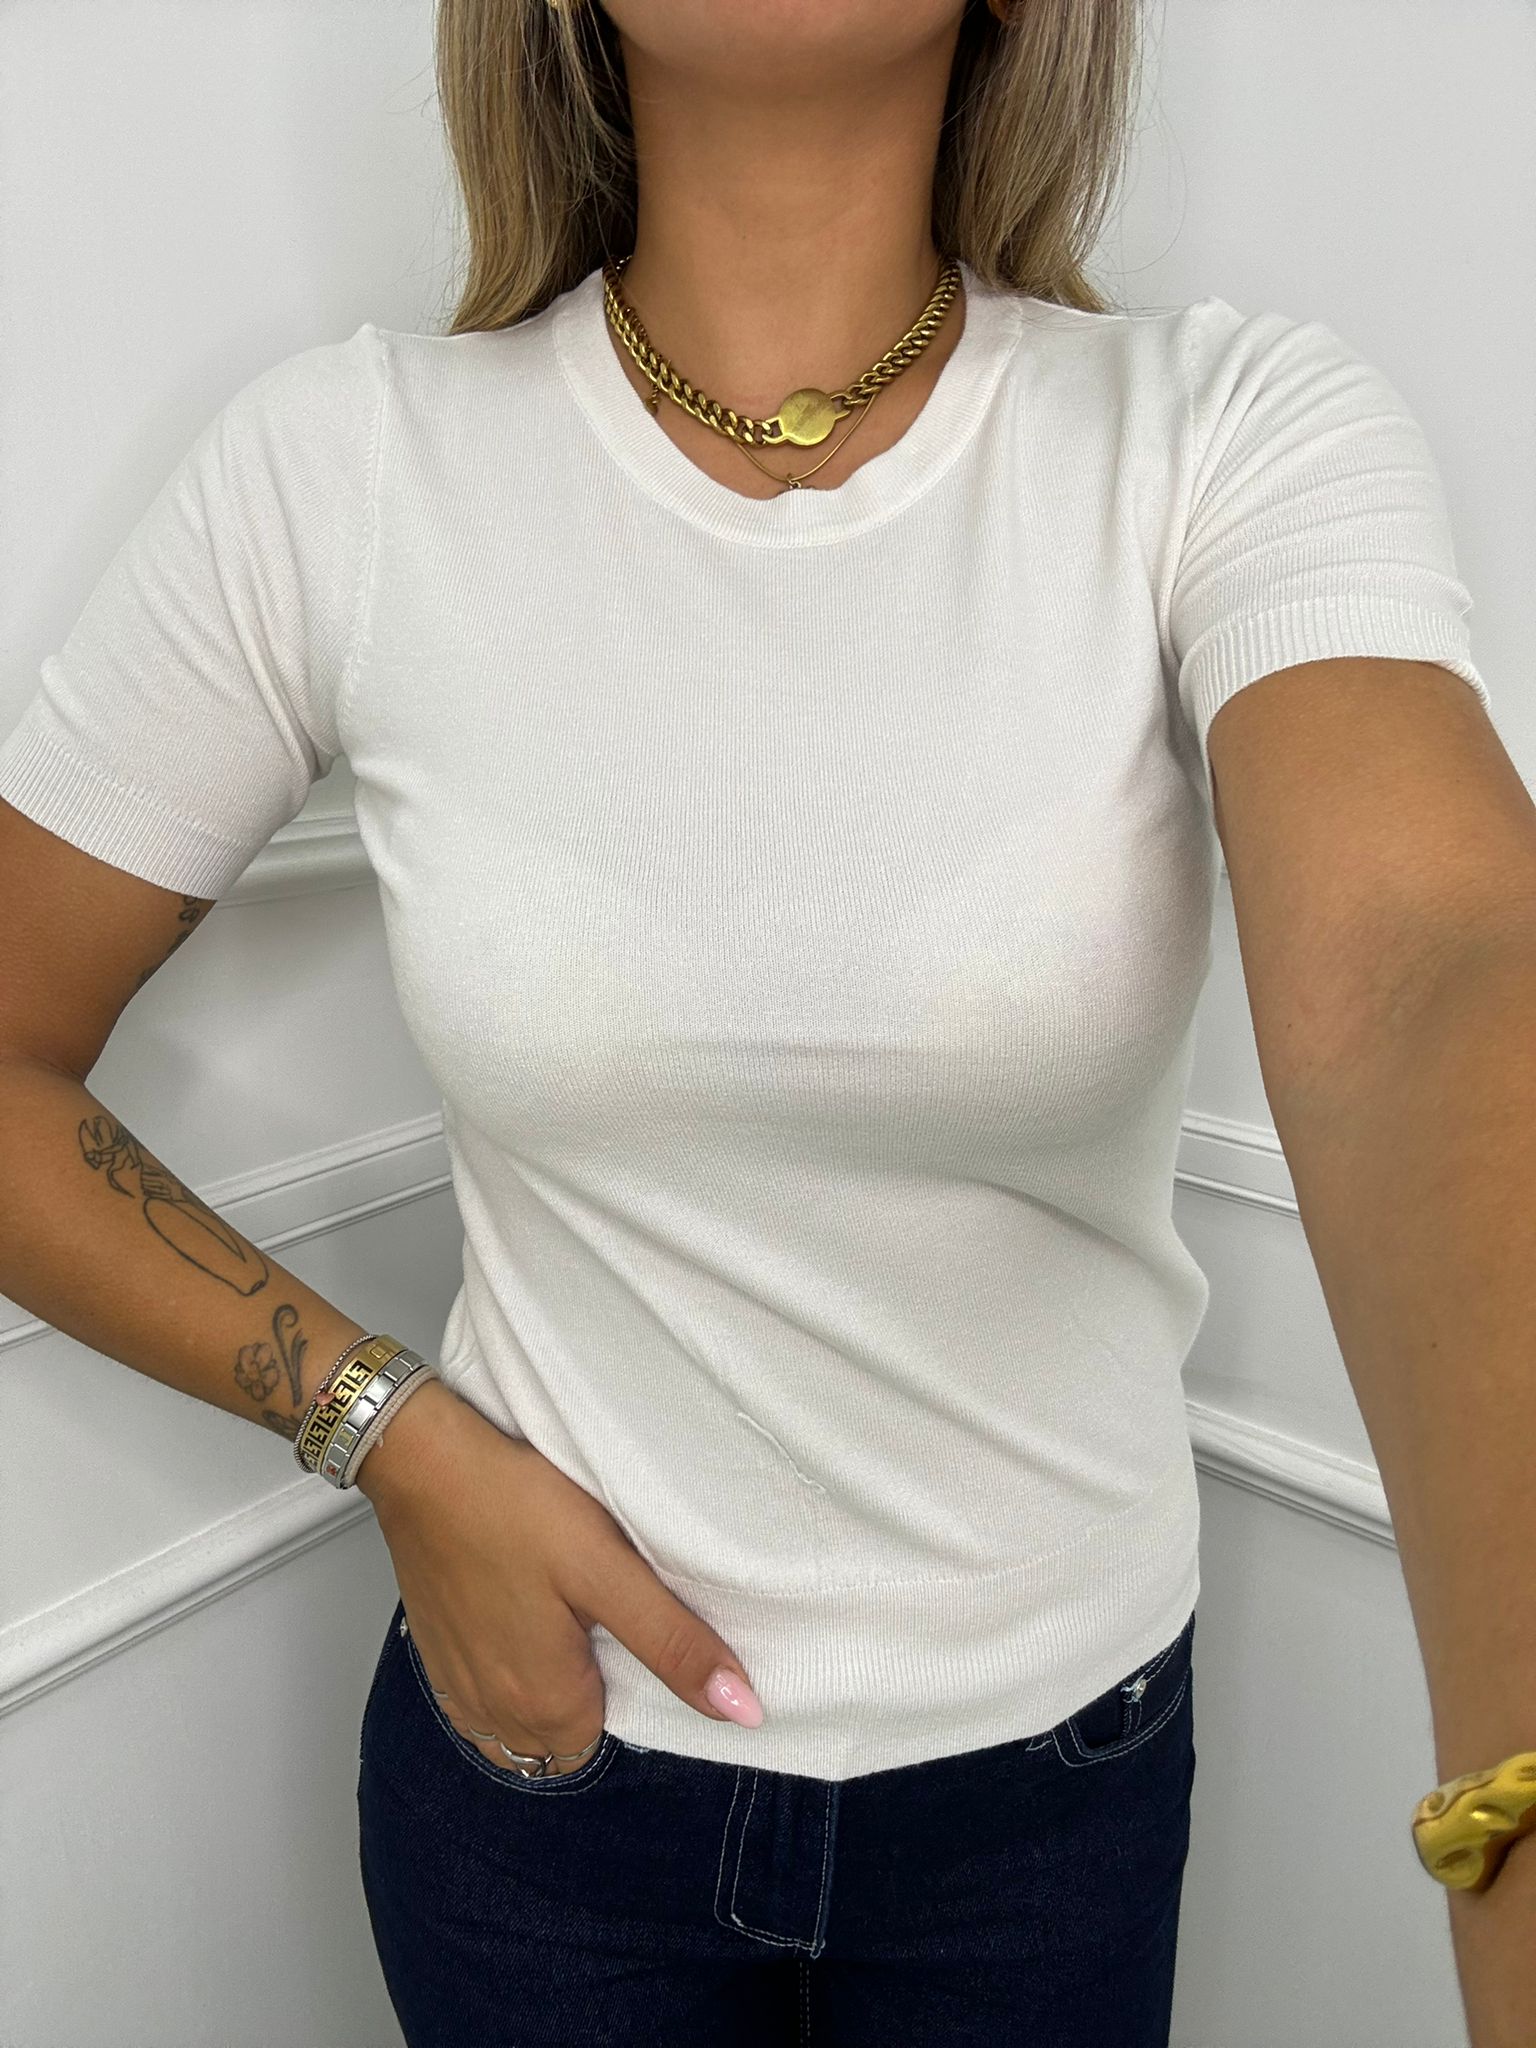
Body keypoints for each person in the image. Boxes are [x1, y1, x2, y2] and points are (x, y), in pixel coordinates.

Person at [0, 0, 1494, 2042]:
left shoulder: (1225, 436)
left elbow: (1429, 975)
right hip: (542, 1794)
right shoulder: (341, 471)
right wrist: (383, 1428)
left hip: (1055, 1799)